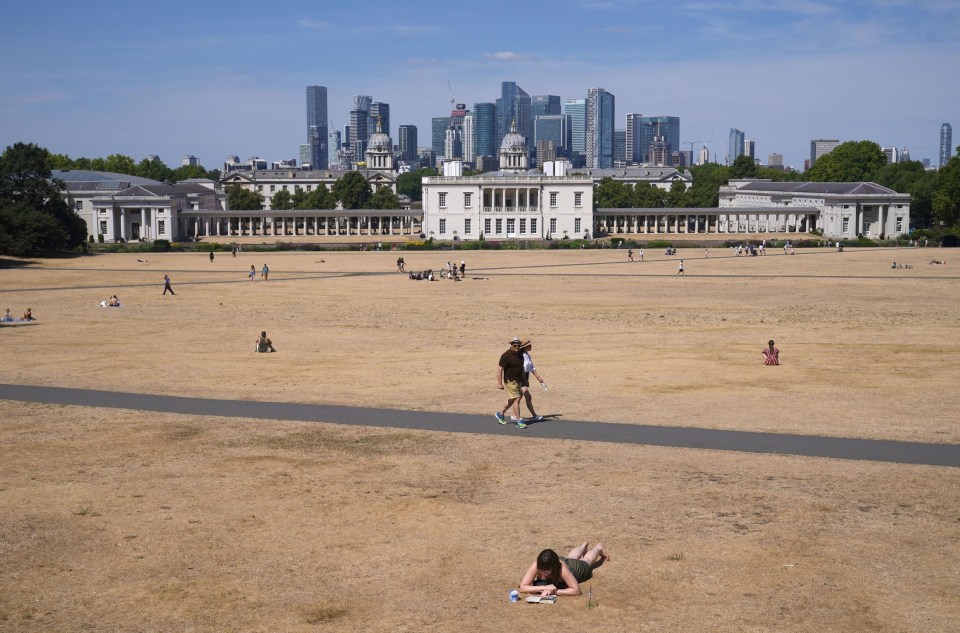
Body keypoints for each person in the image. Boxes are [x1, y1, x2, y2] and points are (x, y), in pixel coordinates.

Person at [518, 543, 610, 598]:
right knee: (571, 557)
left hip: (574, 569)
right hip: (563, 561)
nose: (544, 573)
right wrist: (543, 588)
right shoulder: (536, 565)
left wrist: (555, 591)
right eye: (542, 570)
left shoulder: (562, 569)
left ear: (554, 567)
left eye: (548, 571)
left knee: (586, 561)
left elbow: (576, 590)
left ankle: (598, 548)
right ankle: (583, 547)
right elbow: (523, 587)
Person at [495, 337, 527, 428]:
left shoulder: (520, 353)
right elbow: (500, 370)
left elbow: (527, 344)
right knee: (516, 399)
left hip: (518, 380)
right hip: (510, 381)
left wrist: (524, 380)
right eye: (515, 345)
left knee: (514, 398)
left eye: (518, 345)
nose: (517, 347)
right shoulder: (506, 355)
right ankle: (519, 421)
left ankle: (500, 414)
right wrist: (499, 383)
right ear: (511, 345)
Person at [516, 340, 545, 422]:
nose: (531, 346)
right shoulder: (520, 356)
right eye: (530, 345)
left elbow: (532, 367)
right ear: (525, 347)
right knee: (528, 396)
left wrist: (538, 377)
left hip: (525, 377)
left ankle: (503, 413)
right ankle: (534, 415)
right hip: (520, 378)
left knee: (517, 398)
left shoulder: (527, 355)